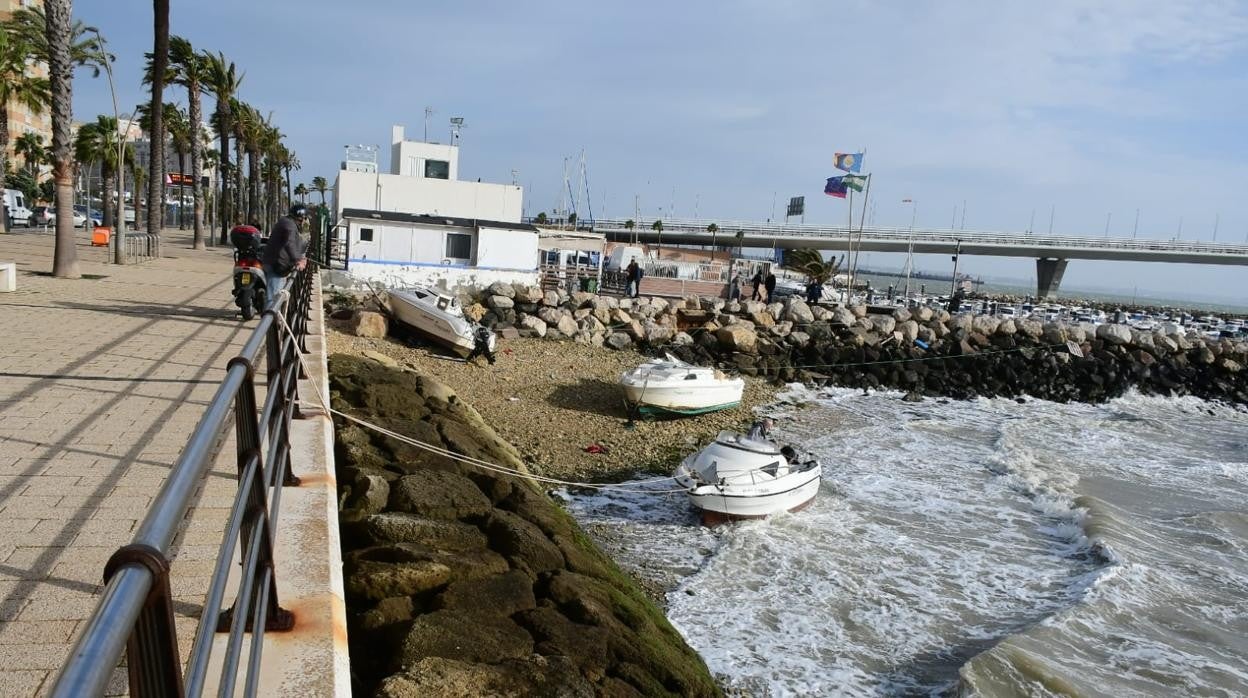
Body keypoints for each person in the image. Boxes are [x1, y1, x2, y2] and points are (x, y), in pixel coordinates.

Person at [262, 204, 309, 295]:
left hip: (278, 264)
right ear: (301, 218)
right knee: (274, 299)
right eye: (306, 219)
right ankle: (269, 309)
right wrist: (298, 260)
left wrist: (300, 257)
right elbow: (289, 243)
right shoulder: (289, 225)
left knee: (277, 296)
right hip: (277, 265)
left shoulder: (287, 222)